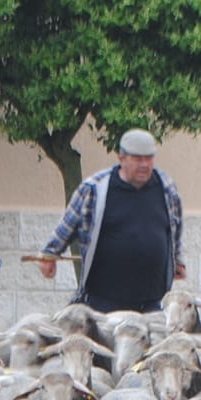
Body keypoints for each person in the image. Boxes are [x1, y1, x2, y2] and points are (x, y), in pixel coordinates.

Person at [34, 129, 187, 313]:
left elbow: (175, 227)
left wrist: (178, 260)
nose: (144, 164)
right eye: (138, 159)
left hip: (152, 303)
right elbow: (68, 223)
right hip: (103, 303)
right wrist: (50, 254)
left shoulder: (166, 187)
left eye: (149, 158)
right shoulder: (95, 188)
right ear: (121, 158)